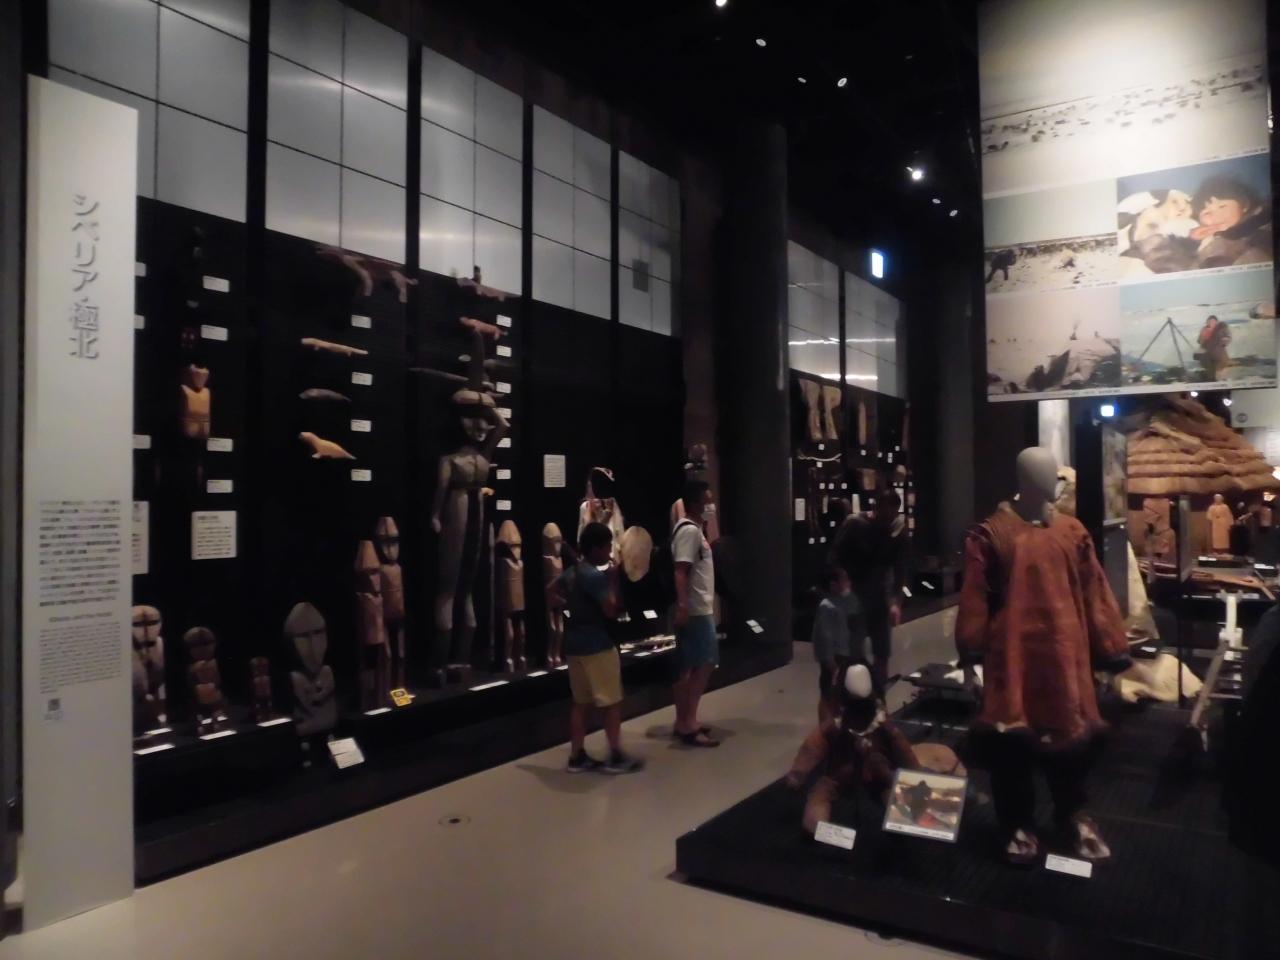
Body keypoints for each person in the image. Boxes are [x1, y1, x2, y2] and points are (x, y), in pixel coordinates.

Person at [554, 522, 644, 774]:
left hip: (574, 645)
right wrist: (613, 582)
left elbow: (551, 592)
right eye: (606, 547)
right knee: (611, 703)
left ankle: (576, 756)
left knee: (580, 704)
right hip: (598, 645)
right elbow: (610, 610)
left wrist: (569, 608)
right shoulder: (594, 576)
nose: (609, 552)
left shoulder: (571, 572)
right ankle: (615, 756)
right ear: (595, 549)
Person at [830, 490, 908, 691]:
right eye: (884, 516)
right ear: (876, 508)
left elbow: (899, 569)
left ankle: (879, 696)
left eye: (891, 517)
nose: (887, 522)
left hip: (880, 597)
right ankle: (849, 695)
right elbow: (834, 556)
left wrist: (896, 603)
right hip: (856, 594)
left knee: (882, 651)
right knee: (852, 651)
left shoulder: (896, 532)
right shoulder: (855, 524)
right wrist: (842, 579)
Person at [672, 479, 720, 747]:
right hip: (696, 608)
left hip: (698, 606)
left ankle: (685, 719)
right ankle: (688, 722)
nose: (710, 506)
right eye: (707, 501)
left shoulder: (693, 530)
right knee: (704, 663)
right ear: (694, 503)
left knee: (691, 666)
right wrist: (683, 605)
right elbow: (681, 570)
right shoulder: (689, 531)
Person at [810, 564, 860, 723]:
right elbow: (823, 636)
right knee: (827, 694)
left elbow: (854, 609)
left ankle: (837, 722)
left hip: (844, 655)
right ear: (833, 585)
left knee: (839, 693)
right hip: (833, 659)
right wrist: (829, 661)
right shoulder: (826, 607)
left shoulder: (844, 602)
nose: (848, 583)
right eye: (844, 580)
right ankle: (824, 725)